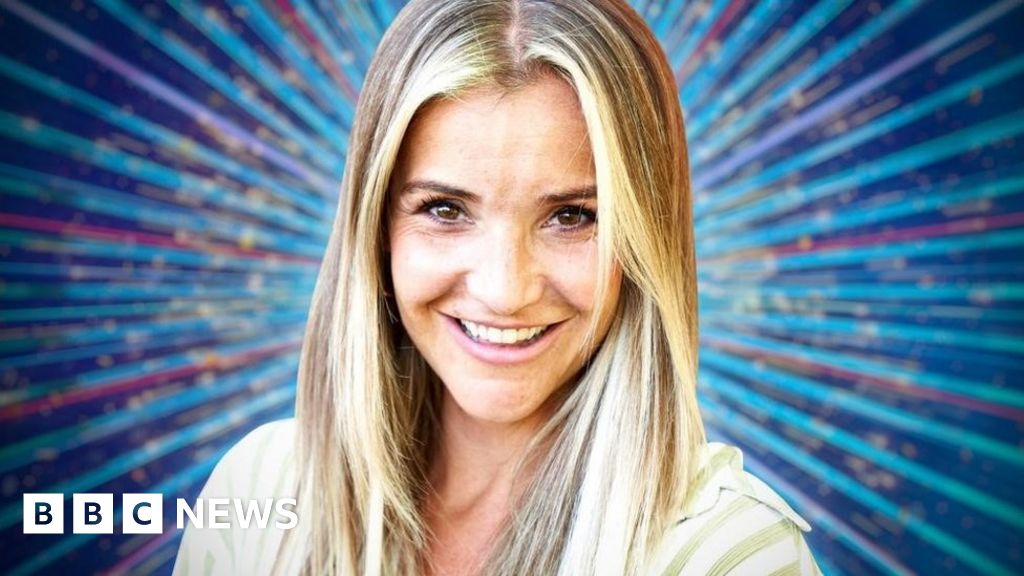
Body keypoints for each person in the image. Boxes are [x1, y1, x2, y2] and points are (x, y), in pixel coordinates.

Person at [173, 0, 822, 574]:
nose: (506, 290)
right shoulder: (259, 488)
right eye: (445, 209)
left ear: (645, 240)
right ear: (377, 228)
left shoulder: (728, 551)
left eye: (572, 216)